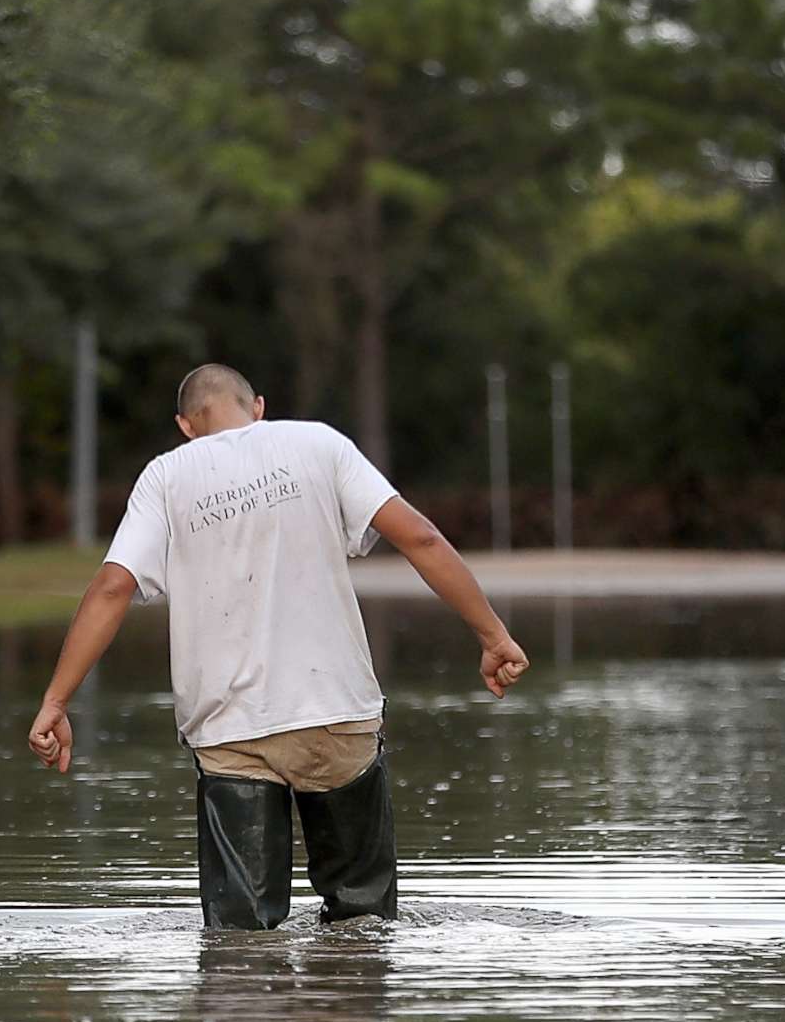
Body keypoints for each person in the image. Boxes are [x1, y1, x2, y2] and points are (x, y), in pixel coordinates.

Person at [26, 363, 527, 929]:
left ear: (185, 426)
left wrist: (56, 701)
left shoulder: (166, 476)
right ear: (258, 407)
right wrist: (494, 636)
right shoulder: (318, 443)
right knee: (363, 922)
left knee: (238, 940)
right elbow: (421, 537)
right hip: (335, 713)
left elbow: (114, 585)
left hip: (229, 730)